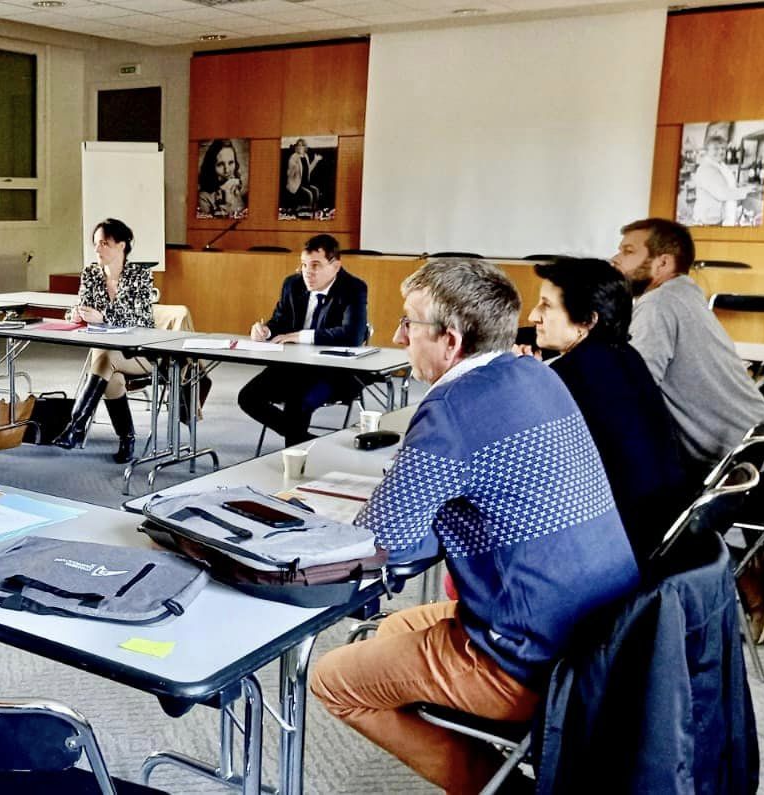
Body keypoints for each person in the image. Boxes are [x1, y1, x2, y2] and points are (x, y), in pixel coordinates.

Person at [309, 258, 639, 794]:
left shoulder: (453, 409)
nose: (397, 336)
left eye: (409, 323)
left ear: (451, 341)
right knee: (393, 628)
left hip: (528, 659)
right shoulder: (534, 373)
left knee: (332, 680)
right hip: (601, 635)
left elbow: (378, 541)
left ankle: (497, 788)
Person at [519, 258, 688, 563]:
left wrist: (520, 377)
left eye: (546, 306)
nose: (533, 315)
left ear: (588, 320)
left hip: (613, 545)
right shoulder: (625, 355)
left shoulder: (570, 376)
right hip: (659, 531)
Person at [611, 218, 764, 481]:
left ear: (663, 262)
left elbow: (635, 390)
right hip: (758, 448)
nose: (615, 258)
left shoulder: (658, 303)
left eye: (628, 251)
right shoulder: (684, 293)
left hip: (736, 465)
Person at [238, 234, 369, 448]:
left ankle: (296, 455)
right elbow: (280, 321)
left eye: (316, 265)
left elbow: (352, 335)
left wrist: (299, 336)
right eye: (304, 265)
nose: (308, 272)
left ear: (336, 266)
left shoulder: (353, 288)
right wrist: (266, 330)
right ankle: (311, 444)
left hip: (333, 372)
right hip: (292, 367)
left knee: (296, 402)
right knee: (248, 397)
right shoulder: (293, 284)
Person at [51, 218, 156, 462]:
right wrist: (75, 314)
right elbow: (78, 306)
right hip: (108, 354)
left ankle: (76, 427)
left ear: (121, 245)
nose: (97, 249)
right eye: (96, 244)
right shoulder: (90, 273)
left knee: (104, 356)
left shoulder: (140, 276)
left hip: (141, 353)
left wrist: (103, 316)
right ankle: (127, 438)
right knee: (112, 381)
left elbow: (141, 318)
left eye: (104, 244)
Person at [687, 127, 750, 226]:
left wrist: (738, 185)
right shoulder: (707, 169)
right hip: (706, 221)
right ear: (707, 151)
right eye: (716, 148)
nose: (721, 152)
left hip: (715, 217)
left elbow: (724, 183)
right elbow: (722, 193)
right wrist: (746, 191)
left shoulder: (720, 165)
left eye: (723, 148)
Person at [196, 139, 245, 219]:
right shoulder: (203, 198)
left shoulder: (235, 187)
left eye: (231, 162)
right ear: (211, 167)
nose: (227, 170)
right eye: (220, 164)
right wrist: (226, 198)